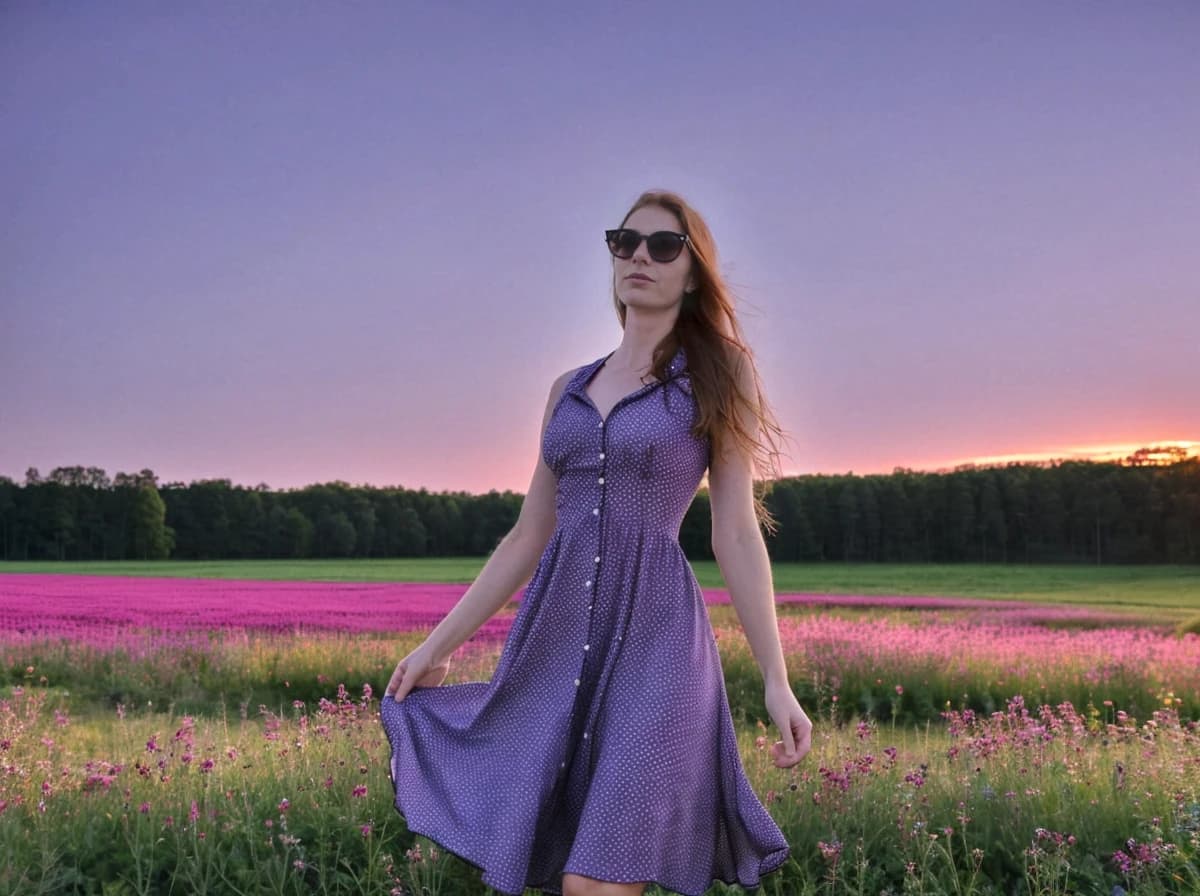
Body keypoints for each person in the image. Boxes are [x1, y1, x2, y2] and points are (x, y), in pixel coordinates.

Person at [380, 189, 813, 896]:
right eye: (625, 241)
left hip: (660, 645)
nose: (640, 256)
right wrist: (437, 646)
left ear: (693, 271)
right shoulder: (567, 389)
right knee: (558, 868)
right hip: (555, 642)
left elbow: (734, 530)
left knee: (597, 881)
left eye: (663, 245)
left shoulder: (719, 373)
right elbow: (527, 534)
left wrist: (775, 678)